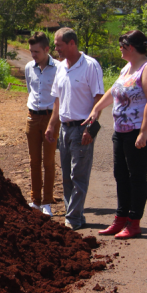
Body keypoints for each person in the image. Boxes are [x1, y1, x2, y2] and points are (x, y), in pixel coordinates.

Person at [83, 30, 147, 239]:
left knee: (136, 176)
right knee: (120, 175)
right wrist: (97, 109)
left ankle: (134, 223)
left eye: (122, 45)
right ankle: (120, 218)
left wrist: (144, 131)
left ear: (130, 47)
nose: (119, 49)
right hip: (121, 131)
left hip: (138, 131)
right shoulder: (127, 67)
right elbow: (114, 90)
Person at [45, 28, 105, 230]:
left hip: (82, 128)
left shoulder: (90, 66)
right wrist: (52, 125)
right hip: (65, 128)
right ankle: (74, 215)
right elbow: (57, 99)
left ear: (72, 43)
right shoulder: (61, 67)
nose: (56, 49)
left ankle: (72, 218)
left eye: (59, 45)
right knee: (66, 177)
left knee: (78, 175)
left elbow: (98, 99)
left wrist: (90, 128)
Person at [24, 32, 58, 216]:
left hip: (50, 117)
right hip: (33, 116)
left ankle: (47, 202)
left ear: (47, 49)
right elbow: (30, 90)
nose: (33, 55)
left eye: (36, 51)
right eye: (31, 51)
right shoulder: (29, 67)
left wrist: (53, 121)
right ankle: (35, 200)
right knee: (34, 161)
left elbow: (60, 96)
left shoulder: (58, 68)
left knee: (49, 161)